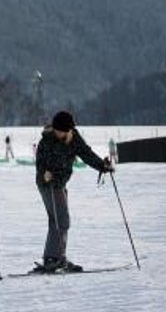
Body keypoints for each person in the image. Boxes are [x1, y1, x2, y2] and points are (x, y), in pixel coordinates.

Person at [34, 110, 113, 273]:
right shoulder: (46, 141)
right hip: (47, 184)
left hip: (61, 183)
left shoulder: (74, 138)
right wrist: (45, 173)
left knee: (57, 220)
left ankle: (54, 257)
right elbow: (40, 163)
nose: (60, 132)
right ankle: (55, 259)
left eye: (63, 130)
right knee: (62, 220)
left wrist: (101, 165)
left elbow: (86, 153)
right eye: (58, 129)